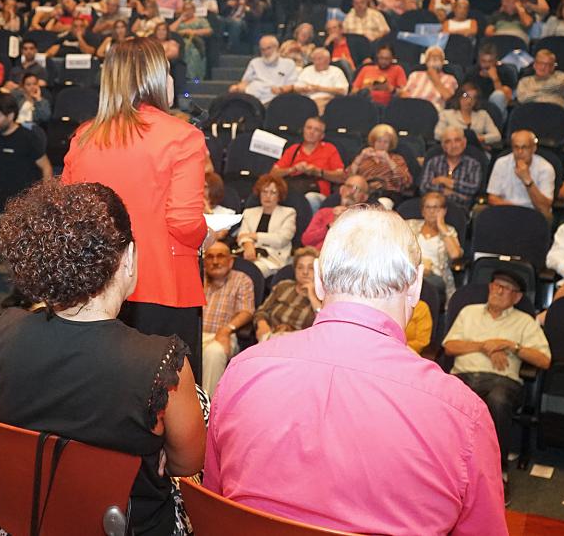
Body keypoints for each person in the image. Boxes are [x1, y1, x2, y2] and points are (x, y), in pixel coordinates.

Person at [207, 206, 506, 533]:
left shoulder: (242, 372)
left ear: (319, 279)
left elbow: (214, 506)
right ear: (416, 285)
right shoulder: (462, 415)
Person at [0, 180, 204, 536]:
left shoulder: (3, 332)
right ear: (127, 259)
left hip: (22, 522)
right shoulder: (160, 365)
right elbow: (187, 464)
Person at [62, 38, 213, 376]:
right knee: (169, 409)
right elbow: (185, 222)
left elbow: (67, 216)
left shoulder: (84, 137)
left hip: (95, 294)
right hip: (165, 288)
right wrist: (208, 234)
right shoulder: (182, 136)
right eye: (169, 72)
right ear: (156, 78)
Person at [443, 268, 550, 492]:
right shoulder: (469, 312)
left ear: (517, 297)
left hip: (502, 382)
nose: (498, 291)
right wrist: (485, 346)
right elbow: (449, 346)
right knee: (446, 393)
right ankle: (444, 467)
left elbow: (544, 360)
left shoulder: (524, 322)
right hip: (463, 376)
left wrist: (511, 345)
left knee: (498, 400)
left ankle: (497, 471)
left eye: (505, 288)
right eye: (495, 285)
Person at [0, 93, 52, 259]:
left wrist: (44, 198)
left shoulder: (28, 137)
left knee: (19, 256)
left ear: (11, 115)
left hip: (24, 208)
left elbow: (46, 167)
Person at [200, 242, 255, 394]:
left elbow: (247, 311)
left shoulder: (242, 279)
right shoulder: (197, 277)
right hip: (194, 334)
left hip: (223, 335)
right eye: (210, 257)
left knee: (214, 352)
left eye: (220, 256)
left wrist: (226, 330)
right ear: (204, 261)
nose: (215, 261)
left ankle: (208, 406)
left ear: (230, 261)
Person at [270, 117, 345, 211]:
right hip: (293, 189)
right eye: (309, 128)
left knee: (310, 198)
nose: (311, 132)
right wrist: (293, 169)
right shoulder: (293, 149)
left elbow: (341, 177)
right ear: (303, 130)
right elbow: (273, 173)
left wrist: (318, 172)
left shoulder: (329, 149)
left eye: (316, 130)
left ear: (322, 135)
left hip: (317, 194)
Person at [406, 191, 463, 299]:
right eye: (428, 207)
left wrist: (441, 225)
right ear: (423, 211)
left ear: (444, 211)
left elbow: (455, 255)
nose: (432, 211)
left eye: (436, 207)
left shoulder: (449, 230)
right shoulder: (411, 225)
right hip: (410, 272)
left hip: (435, 278)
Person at [237, 175, 297, 277]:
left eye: (273, 192)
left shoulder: (288, 213)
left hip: (272, 259)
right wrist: (248, 245)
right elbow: (242, 235)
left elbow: (281, 240)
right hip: (248, 254)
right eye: (264, 192)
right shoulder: (249, 212)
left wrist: (254, 236)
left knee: (251, 271)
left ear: (279, 195)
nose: (267, 196)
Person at [487, 130, 554, 217]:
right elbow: (492, 198)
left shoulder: (545, 168)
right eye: (516, 147)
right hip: (505, 210)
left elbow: (544, 207)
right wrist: (515, 211)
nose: (520, 152)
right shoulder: (501, 163)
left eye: (524, 147)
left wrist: (527, 180)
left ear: (534, 148)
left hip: (533, 213)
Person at [420, 126, 484, 212]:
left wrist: (446, 181)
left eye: (457, 140)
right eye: (448, 142)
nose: (453, 145)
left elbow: (473, 189)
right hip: (433, 209)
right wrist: (452, 193)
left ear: (464, 142)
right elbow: (424, 187)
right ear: (443, 145)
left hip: (460, 210)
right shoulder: (433, 162)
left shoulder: (473, 165)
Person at [345, 123, 414, 200]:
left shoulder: (396, 159)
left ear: (390, 144)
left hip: (388, 194)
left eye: (385, 142)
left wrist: (388, 160)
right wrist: (360, 158)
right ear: (373, 142)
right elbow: (349, 178)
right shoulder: (363, 158)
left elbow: (404, 182)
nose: (382, 145)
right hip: (364, 194)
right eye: (379, 141)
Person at [302, 175, 370, 250]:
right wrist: (329, 227)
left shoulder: (367, 218)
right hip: (321, 255)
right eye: (349, 187)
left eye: (358, 189)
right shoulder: (324, 213)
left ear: (365, 197)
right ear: (341, 190)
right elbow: (306, 241)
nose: (352, 192)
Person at [229, 35, 298, 105]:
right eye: (262, 49)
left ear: (277, 48)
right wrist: (237, 87)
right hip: (253, 99)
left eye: (268, 48)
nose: (266, 52)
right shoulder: (254, 62)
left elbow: (292, 86)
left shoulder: (288, 63)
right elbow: (245, 82)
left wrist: (281, 90)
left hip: (275, 99)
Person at [436, 83, 502, 146]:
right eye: (466, 96)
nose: (469, 101)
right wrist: (457, 137)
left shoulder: (483, 115)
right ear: (459, 97)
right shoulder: (446, 114)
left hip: (476, 150)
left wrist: (479, 138)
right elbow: (437, 135)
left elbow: (497, 136)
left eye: (474, 97)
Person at [291, 47, 348, 113]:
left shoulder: (336, 71)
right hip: (306, 100)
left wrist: (319, 88)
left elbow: (343, 91)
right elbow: (296, 88)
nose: (316, 62)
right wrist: (304, 89)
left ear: (328, 60)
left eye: (319, 59)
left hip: (328, 101)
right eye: (314, 59)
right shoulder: (307, 70)